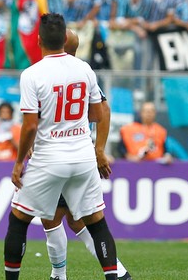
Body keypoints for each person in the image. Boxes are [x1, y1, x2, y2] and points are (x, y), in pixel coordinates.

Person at [4, 13, 118, 280]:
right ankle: (112, 276)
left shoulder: (32, 74)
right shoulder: (84, 69)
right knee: (97, 223)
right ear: (66, 38)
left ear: (39, 39)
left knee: (19, 219)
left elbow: (30, 126)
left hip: (49, 157)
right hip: (82, 157)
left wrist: (19, 162)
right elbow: (97, 114)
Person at [40, 29, 132, 280]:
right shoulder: (84, 71)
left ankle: (58, 275)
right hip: (82, 157)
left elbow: (33, 120)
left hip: (55, 156)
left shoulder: (45, 72)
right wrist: (99, 149)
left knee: (51, 217)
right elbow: (104, 109)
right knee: (79, 221)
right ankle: (120, 274)